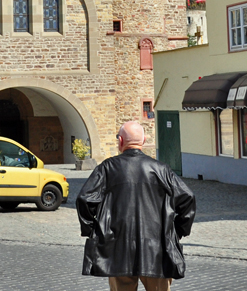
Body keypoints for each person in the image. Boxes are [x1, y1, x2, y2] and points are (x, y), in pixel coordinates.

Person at [77, 121, 196, 291]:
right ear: (144, 140)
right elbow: (188, 198)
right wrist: (177, 231)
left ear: (120, 141)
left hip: (118, 250)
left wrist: (93, 230)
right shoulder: (162, 169)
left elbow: (84, 199)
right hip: (157, 251)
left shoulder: (107, 168)